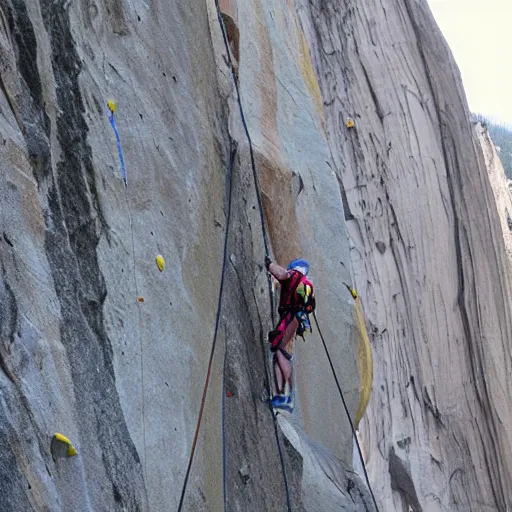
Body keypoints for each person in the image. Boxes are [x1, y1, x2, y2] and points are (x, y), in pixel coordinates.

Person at [265, 256, 315, 410]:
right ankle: (280, 395)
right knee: (277, 352)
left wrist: (269, 264)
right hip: (294, 319)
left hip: (290, 316)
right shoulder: (306, 285)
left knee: (278, 347)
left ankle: (289, 396)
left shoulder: (295, 276)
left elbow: (282, 274)